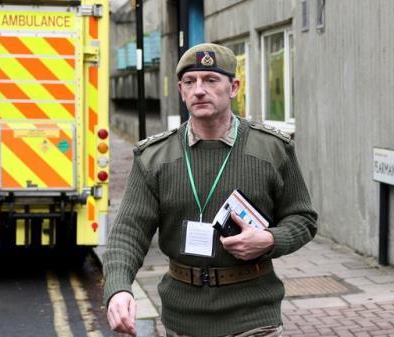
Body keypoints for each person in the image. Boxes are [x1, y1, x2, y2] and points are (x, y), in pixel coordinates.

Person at [102, 43, 317, 337]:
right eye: (190, 82)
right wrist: (118, 289)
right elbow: (128, 233)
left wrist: (269, 239)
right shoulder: (154, 157)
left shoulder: (272, 149)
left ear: (233, 87)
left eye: (210, 79)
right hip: (183, 320)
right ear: (181, 90)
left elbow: (303, 218)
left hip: (254, 316)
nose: (199, 90)